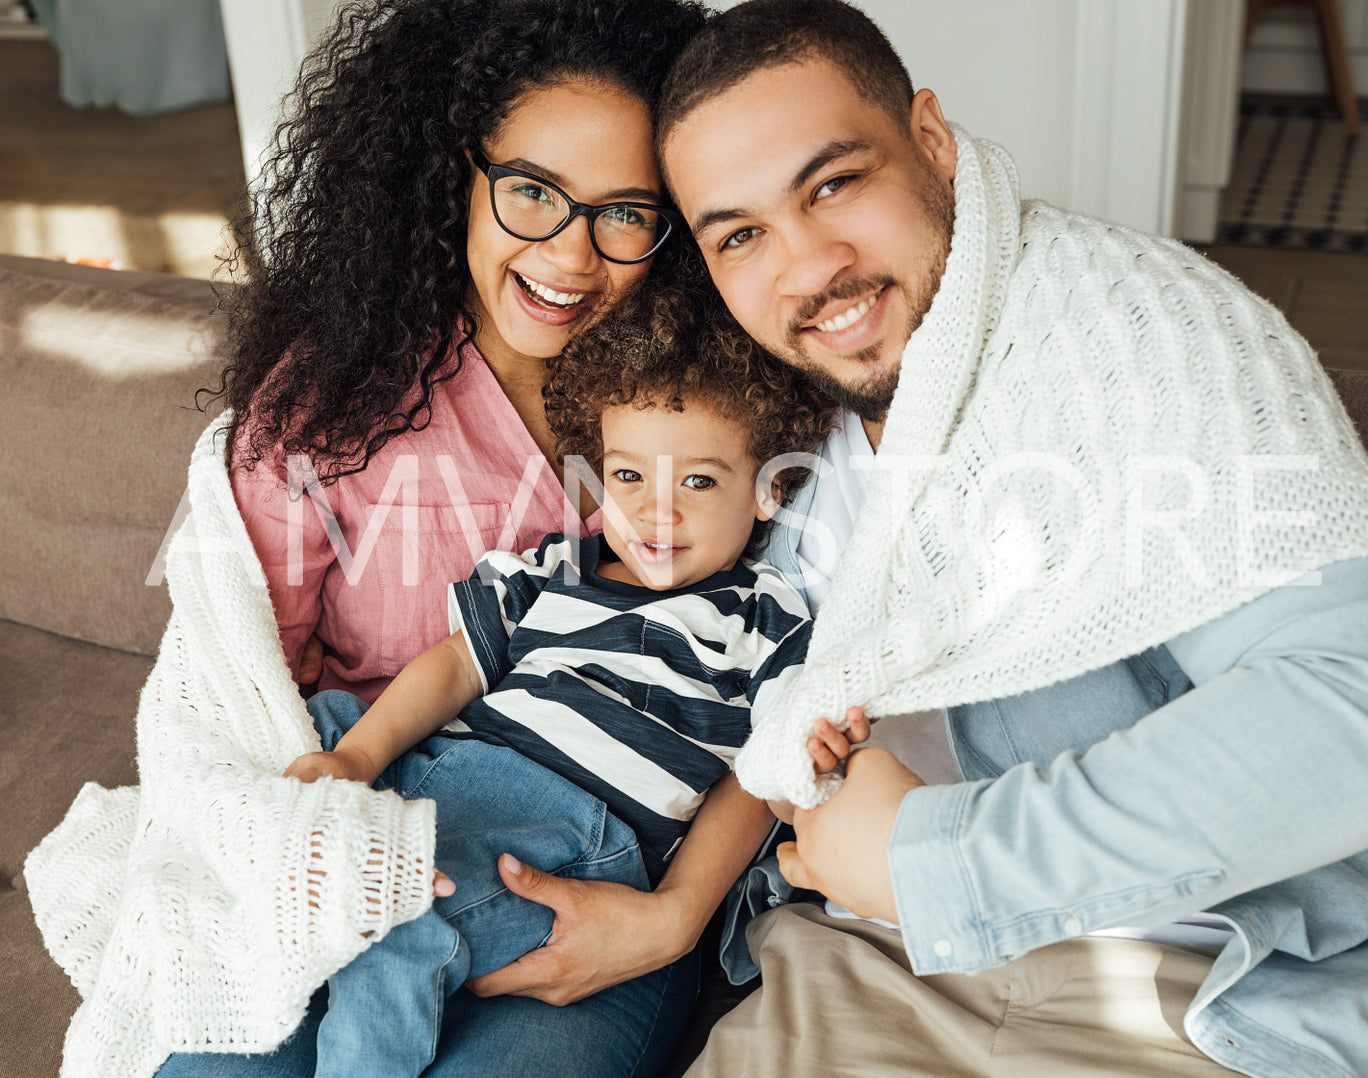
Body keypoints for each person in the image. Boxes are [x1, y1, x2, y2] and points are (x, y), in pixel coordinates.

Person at [653, 2, 1368, 1076]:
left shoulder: (1139, 339)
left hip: (1218, 986)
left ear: (929, 139)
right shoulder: (758, 419)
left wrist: (934, 857)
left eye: (833, 184)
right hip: (867, 960)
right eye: (740, 234)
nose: (808, 264)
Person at [19, 2, 837, 1076]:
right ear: (460, 173)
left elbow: (777, 721)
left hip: (606, 881)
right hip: (381, 827)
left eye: (625, 213)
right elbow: (244, 697)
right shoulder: (338, 400)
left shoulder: (717, 399)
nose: (569, 255)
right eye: (534, 192)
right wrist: (339, 788)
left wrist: (675, 916)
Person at [277, 278, 846, 1078]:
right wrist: (356, 760)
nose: (657, 512)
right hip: (443, 783)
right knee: (327, 730)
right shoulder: (554, 565)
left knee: (392, 922)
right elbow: (452, 666)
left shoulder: (765, 618)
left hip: (573, 838)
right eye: (629, 478)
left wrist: (812, 760)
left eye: (698, 481)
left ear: (766, 490)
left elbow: (768, 770)